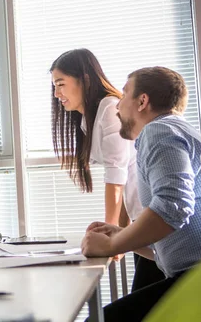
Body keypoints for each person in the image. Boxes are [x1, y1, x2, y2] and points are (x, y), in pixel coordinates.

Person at [82, 66, 201, 321]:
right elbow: (174, 241)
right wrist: (124, 236)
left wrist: (112, 245)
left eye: (124, 94)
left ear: (142, 101)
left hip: (197, 279)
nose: (117, 106)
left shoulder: (159, 131)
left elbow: (174, 207)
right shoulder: (177, 130)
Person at [50, 49, 164, 290]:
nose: (57, 93)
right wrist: (118, 232)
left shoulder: (110, 109)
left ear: (85, 79)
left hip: (154, 220)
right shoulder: (88, 119)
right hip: (140, 218)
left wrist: (110, 240)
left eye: (61, 84)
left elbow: (116, 177)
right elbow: (122, 185)